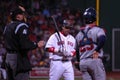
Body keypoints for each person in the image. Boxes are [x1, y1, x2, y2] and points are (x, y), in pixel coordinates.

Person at [3, 6, 44, 80]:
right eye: (21, 14)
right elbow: (24, 45)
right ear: (18, 16)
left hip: (8, 57)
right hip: (18, 58)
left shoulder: (7, 26)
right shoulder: (21, 26)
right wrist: (36, 45)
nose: (24, 16)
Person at [75, 7, 106, 80]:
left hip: (83, 63)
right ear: (94, 17)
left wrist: (78, 61)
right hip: (94, 60)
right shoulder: (97, 30)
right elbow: (102, 39)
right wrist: (97, 50)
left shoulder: (78, 34)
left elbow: (77, 50)